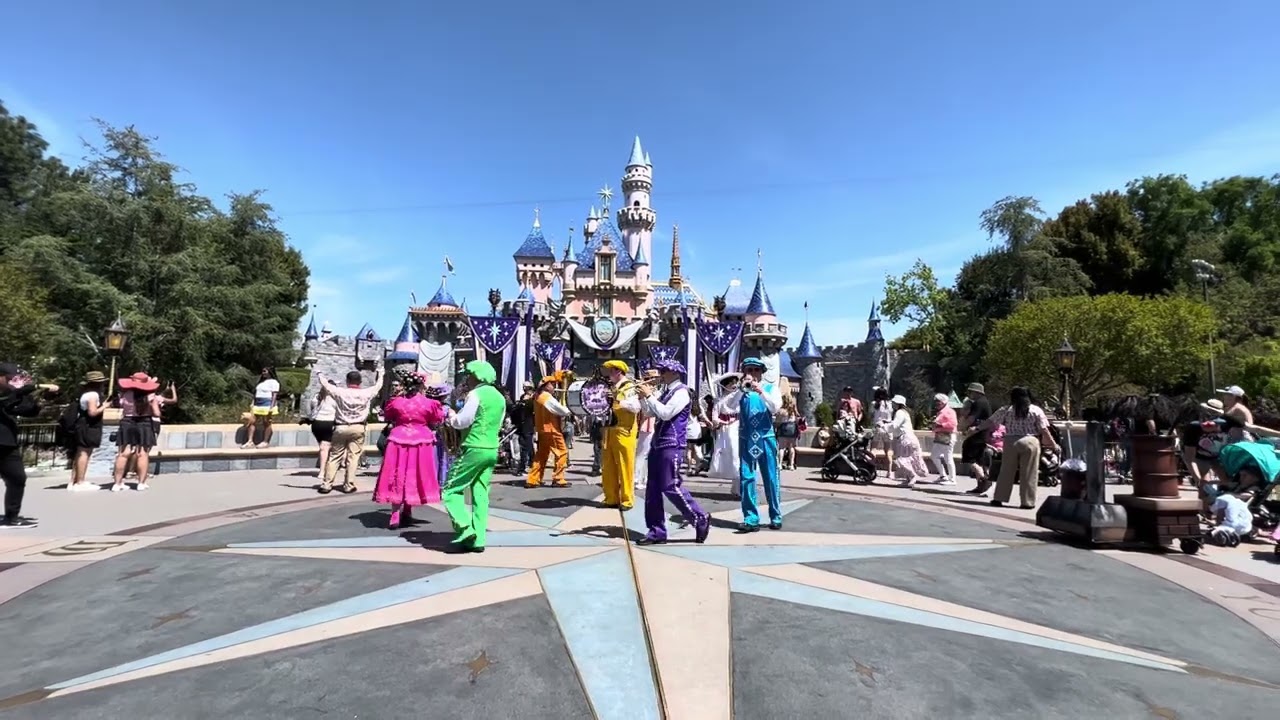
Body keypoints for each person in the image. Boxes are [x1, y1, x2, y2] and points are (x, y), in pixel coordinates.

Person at [634, 359, 710, 544]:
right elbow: (651, 413)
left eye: (665, 371)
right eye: (661, 370)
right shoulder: (665, 392)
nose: (661, 374)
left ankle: (699, 517)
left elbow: (666, 413)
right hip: (658, 443)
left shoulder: (682, 392)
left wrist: (650, 396)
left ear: (675, 373)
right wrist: (643, 398)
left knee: (671, 485)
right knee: (652, 489)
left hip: (672, 444)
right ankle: (656, 531)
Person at [441, 360, 506, 553]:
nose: (466, 379)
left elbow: (463, 421)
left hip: (473, 447)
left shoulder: (476, 394)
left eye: (468, 375)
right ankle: (478, 540)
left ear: (476, 376)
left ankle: (465, 527)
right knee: (480, 493)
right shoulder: (500, 397)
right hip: (491, 448)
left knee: (450, 490)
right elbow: (499, 423)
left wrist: (452, 416)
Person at [717, 357, 784, 532]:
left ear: (761, 372)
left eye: (756, 370)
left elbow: (775, 407)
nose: (753, 374)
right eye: (749, 370)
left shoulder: (770, 388)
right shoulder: (741, 391)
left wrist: (761, 391)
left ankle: (775, 516)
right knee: (746, 478)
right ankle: (751, 518)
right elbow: (728, 407)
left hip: (766, 438)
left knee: (771, 477)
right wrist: (740, 390)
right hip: (746, 439)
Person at [374, 371, 447, 529]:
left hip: (398, 439)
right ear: (421, 385)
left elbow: (387, 416)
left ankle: (396, 514)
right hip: (421, 440)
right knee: (414, 473)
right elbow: (437, 418)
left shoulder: (396, 402)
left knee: (397, 473)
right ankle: (407, 509)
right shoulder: (429, 403)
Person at [979, 386, 1061, 509]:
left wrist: (976, 428)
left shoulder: (1006, 410)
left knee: (1006, 471)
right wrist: (1054, 445)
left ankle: (999, 498)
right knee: (1029, 473)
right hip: (1030, 441)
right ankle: (1027, 502)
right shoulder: (1035, 410)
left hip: (1011, 441)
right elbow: (1044, 429)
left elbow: (990, 421)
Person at [0, 364, 57, 528]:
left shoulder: (11, 394)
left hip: (7, 442)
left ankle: (12, 517)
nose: (13, 382)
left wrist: (43, 398)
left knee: (17, 478)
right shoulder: (6, 394)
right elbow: (9, 399)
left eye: (15, 379)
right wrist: (36, 386)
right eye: (10, 379)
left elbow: (26, 410)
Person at [316, 367, 384, 495]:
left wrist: (319, 373)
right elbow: (378, 386)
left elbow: (325, 384)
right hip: (358, 427)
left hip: (341, 427)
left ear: (347, 381)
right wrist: (381, 374)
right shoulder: (366, 393)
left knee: (334, 456)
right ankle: (348, 485)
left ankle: (326, 484)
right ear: (360, 382)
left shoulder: (340, 392)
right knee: (353, 458)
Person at [600, 360, 641, 510]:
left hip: (624, 430)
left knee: (625, 465)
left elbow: (636, 407)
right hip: (610, 429)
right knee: (608, 466)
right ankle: (611, 498)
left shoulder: (629, 386)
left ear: (618, 371)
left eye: (611, 371)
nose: (608, 374)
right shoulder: (612, 387)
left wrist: (617, 401)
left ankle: (626, 500)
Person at [112, 372, 162, 492]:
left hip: (127, 422)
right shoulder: (150, 396)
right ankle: (141, 482)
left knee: (123, 453)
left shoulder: (125, 394)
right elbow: (157, 413)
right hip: (144, 422)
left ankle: (117, 483)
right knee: (142, 453)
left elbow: (119, 405)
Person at [528, 374, 571, 488]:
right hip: (552, 429)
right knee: (562, 452)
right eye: (552, 384)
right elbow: (560, 410)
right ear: (546, 386)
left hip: (542, 430)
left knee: (541, 455)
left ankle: (533, 479)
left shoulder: (537, 396)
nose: (554, 386)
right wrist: (568, 410)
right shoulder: (547, 397)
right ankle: (558, 479)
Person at [69, 371, 109, 491]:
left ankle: (74, 481)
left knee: (80, 452)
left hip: (81, 424)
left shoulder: (85, 393)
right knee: (84, 452)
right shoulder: (93, 395)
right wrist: (105, 406)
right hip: (88, 425)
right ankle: (80, 482)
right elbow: (92, 412)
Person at [888, 394, 931, 488]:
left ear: (898, 404)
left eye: (894, 403)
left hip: (905, 439)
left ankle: (912, 476)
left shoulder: (899, 412)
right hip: (909, 438)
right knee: (909, 459)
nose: (892, 404)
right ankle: (908, 479)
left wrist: (884, 426)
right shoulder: (905, 413)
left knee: (902, 459)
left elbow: (895, 425)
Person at [707, 372, 742, 486]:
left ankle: (738, 485)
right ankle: (735, 480)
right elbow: (715, 418)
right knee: (731, 451)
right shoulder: (719, 401)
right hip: (727, 429)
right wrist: (724, 422)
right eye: (731, 383)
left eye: (735, 383)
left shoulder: (739, 396)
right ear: (725, 385)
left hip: (739, 427)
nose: (734, 385)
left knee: (738, 453)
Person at [959, 383, 994, 494]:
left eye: (971, 392)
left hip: (976, 435)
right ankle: (980, 486)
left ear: (976, 392)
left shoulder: (979, 403)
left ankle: (984, 480)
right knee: (978, 460)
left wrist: (963, 428)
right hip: (982, 435)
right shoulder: (985, 402)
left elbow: (971, 418)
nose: (970, 394)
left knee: (969, 458)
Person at [634, 368, 660, 490]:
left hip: (656, 424)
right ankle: (636, 478)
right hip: (647, 423)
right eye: (651, 378)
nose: (654, 381)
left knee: (650, 454)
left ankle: (646, 478)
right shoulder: (642, 390)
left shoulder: (657, 391)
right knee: (642, 452)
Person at [242, 367, 280, 449]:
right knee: (251, 421)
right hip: (257, 404)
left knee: (266, 422)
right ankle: (250, 441)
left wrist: (271, 406)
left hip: (267, 404)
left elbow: (274, 395)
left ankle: (265, 441)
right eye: (262, 371)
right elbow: (256, 394)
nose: (263, 373)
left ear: (269, 372)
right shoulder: (261, 382)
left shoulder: (274, 382)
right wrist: (253, 403)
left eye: (265, 371)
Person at [308, 385, 337, 477]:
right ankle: (322, 471)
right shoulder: (334, 398)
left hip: (316, 424)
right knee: (325, 447)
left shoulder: (316, 397)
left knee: (323, 446)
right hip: (329, 423)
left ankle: (325, 466)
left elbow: (312, 409)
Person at [930, 392, 958, 485]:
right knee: (934, 455)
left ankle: (952, 479)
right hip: (940, 437)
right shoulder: (941, 412)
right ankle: (943, 476)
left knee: (948, 458)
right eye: (936, 402)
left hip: (948, 436)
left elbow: (953, 424)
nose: (936, 404)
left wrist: (940, 425)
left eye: (938, 402)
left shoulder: (949, 411)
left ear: (943, 402)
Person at [510, 382, 536, 474]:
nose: (525, 390)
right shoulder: (523, 398)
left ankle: (524, 467)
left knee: (526, 446)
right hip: (522, 425)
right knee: (526, 446)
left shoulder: (533, 399)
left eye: (527, 388)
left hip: (528, 425)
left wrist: (525, 402)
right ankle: (531, 463)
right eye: (524, 388)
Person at [870, 386, 895, 477]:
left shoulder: (874, 404)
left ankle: (871, 469)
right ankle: (889, 472)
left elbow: (871, 415)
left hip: (878, 426)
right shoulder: (890, 404)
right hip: (888, 427)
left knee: (873, 449)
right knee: (888, 450)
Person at [775, 393, 800, 471]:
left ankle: (779, 464)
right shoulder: (793, 410)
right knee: (791, 448)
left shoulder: (781, 410)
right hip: (792, 429)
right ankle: (791, 465)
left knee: (781, 448)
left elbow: (777, 421)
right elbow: (798, 417)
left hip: (783, 429)